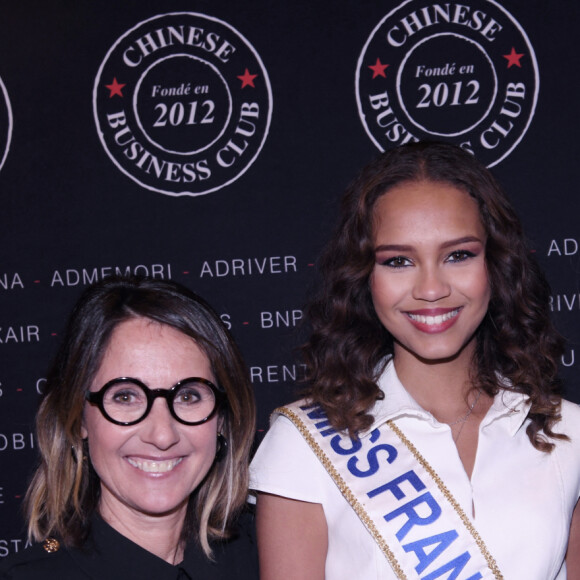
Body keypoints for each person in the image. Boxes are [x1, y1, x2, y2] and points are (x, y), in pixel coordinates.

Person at [250, 142, 580, 579]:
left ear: (496, 264)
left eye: (458, 255)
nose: (430, 288)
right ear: (365, 277)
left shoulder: (568, 433)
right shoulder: (305, 443)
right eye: (399, 261)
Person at [0, 275, 258, 579]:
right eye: (125, 397)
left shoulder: (271, 556)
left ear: (222, 418)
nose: (162, 435)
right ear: (78, 417)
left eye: (189, 396)